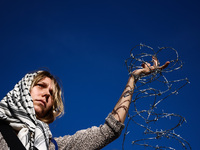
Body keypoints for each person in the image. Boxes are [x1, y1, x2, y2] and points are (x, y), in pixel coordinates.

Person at [0, 57, 169, 150]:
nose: (46, 94)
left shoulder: (55, 146)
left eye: (51, 94)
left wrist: (133, 78)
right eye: (40, 86)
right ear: (23, 89)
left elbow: (109, 130)